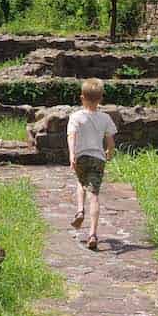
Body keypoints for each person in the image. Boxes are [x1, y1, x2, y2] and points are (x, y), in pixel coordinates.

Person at [67, 78, 118, 250]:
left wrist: (72, 154)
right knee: (94, 195)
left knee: (81, 182)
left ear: (82, 98)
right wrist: (109, 152)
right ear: (100, 99)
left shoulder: (76, 117)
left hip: (81, 157)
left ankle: (80, 210)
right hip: (98, 159)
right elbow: (110, 140)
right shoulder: (105, 118)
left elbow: (71, 136)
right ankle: (92, 233)